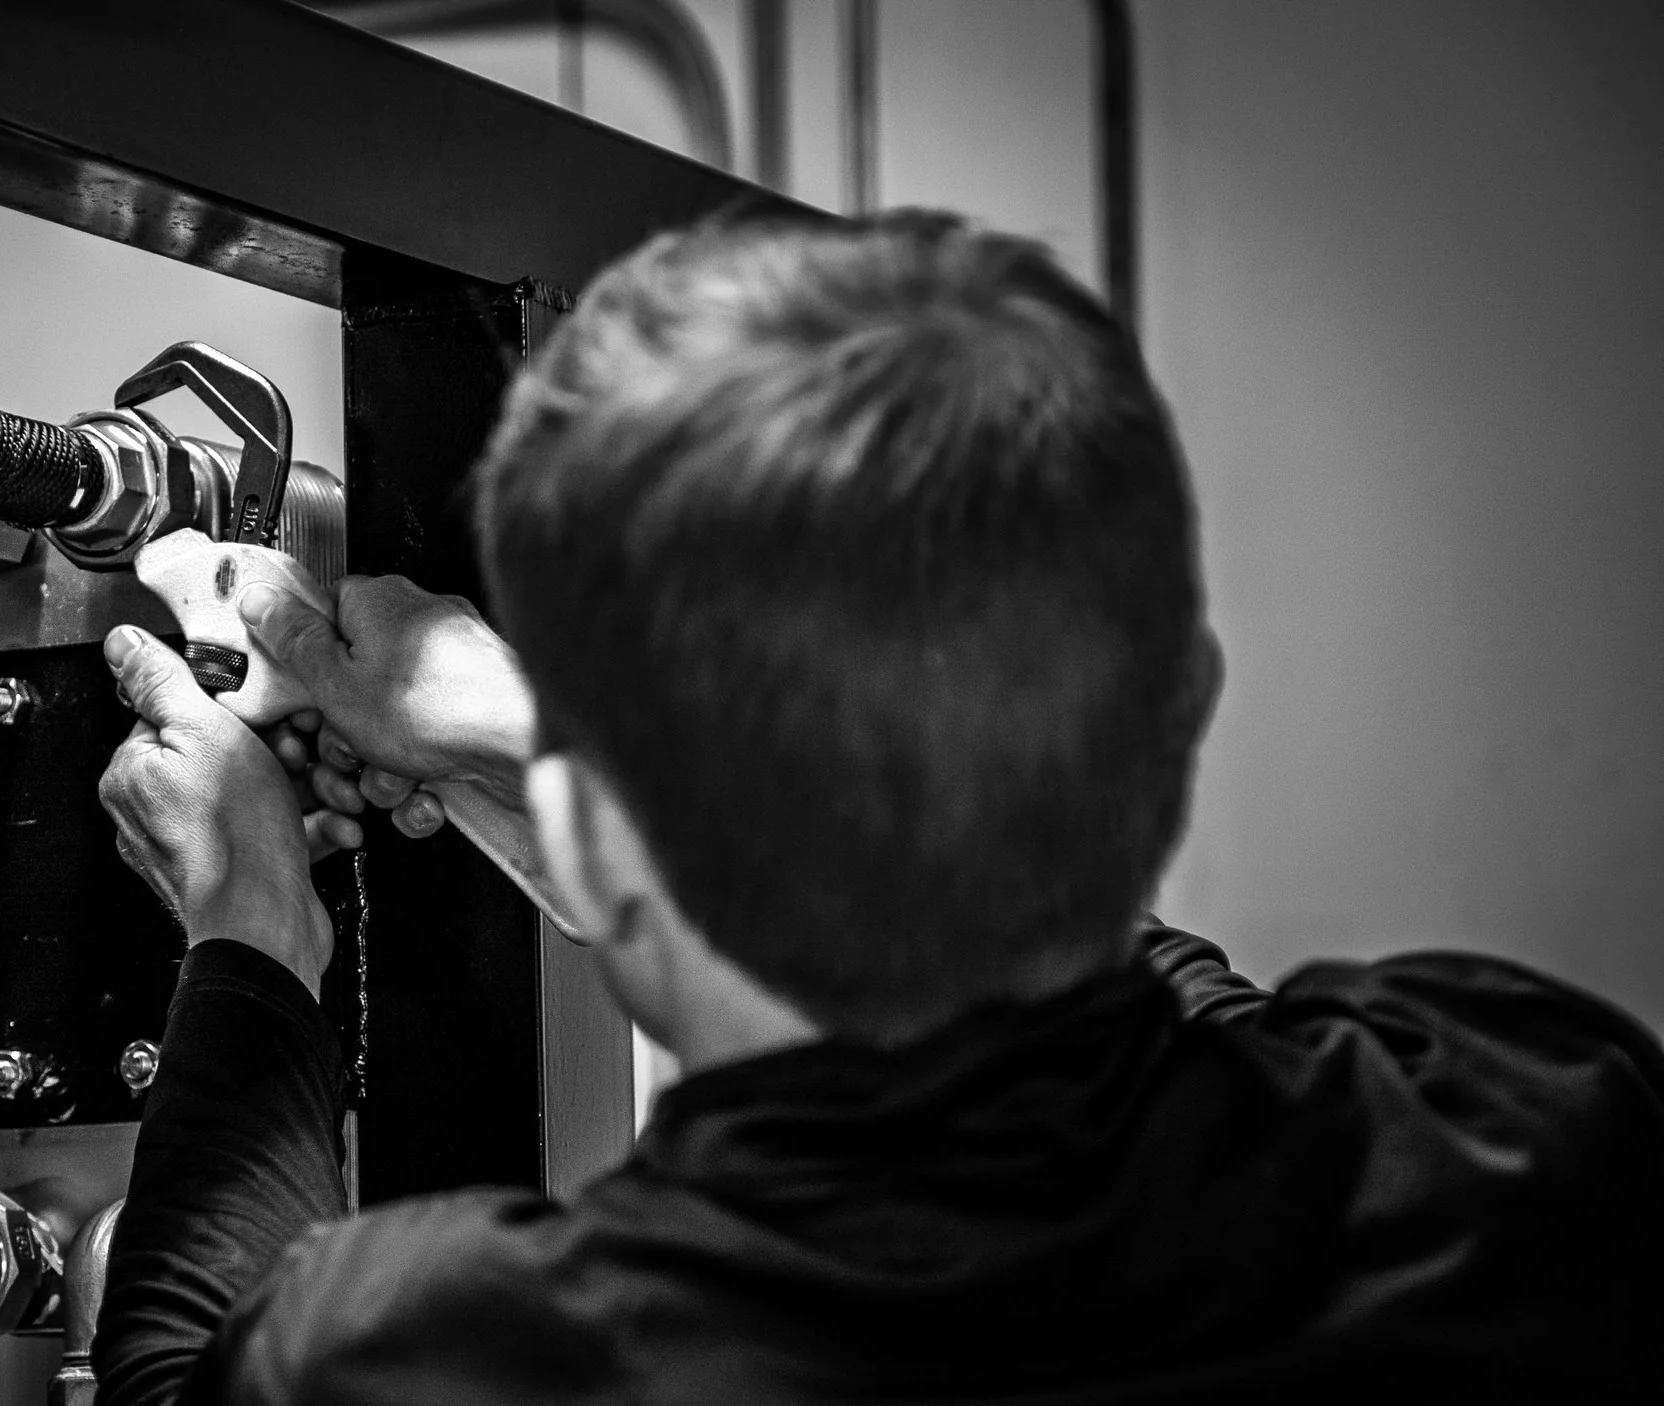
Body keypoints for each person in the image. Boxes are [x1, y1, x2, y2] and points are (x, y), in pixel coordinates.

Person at [84, 210, 1664, 1403]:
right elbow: (1178, 1051)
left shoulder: (459, 1353)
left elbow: (179, 1378)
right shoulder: (1538, 1132)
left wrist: (251, 928)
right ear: (1181, 711)